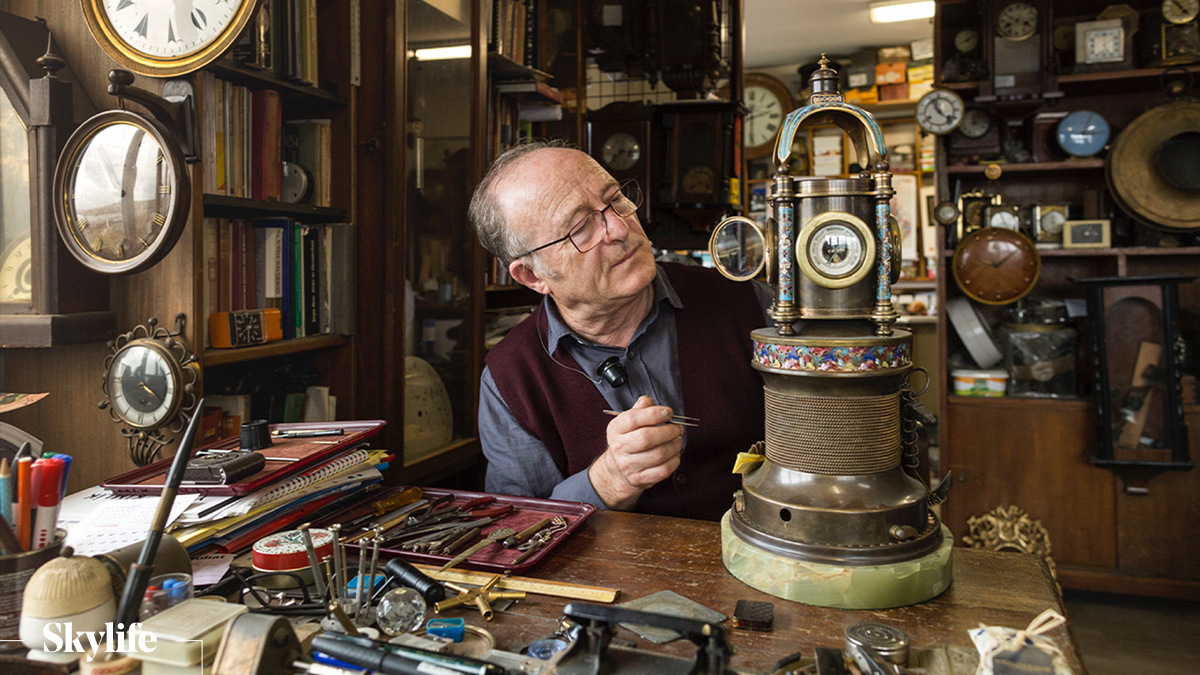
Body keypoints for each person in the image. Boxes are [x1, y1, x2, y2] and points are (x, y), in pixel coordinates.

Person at [469, 141, 770, 521]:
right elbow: (517, 529)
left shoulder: (746, 304)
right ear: (532, 275)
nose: (619, 227)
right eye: (581, 227)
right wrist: (606, 483)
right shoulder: (509, 378)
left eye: (616, 200)